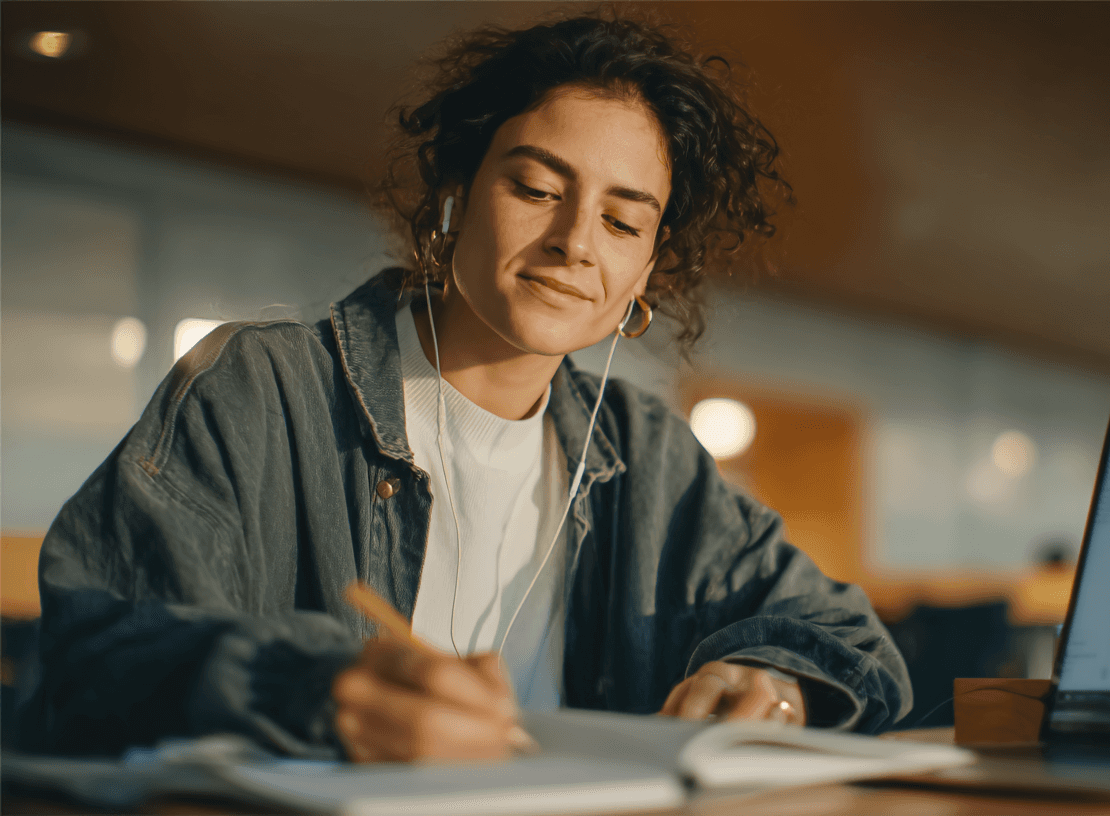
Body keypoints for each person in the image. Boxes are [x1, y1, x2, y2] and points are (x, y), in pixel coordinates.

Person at [22, 13, 911, 762]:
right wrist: (320, 693)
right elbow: (93, 653)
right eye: (535, 186)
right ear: (456, 194)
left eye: (621, 219)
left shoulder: (648, 454)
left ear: (647, 267)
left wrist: (777, 686)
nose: (575, 241)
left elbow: (848, 637)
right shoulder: (267, 389)